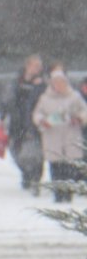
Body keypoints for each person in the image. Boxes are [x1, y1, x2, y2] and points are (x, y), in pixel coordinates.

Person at [32, 68, 87, 203]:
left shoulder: (75, 96)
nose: (59, 85)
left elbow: (84, 111)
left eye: (61, 82)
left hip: (71, 136)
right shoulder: (45, 98)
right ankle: (57, 194)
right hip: (53, 138)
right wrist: (42, 121)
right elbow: (36, 114)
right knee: (55, 167)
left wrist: (79, 118)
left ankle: (68, 194)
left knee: (69, 168)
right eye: (56, 83)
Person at [0, 54, 48, 194]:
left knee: (36, 152)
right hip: (17, 122)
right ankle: (26, 173)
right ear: (27, 66)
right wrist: (3, 115)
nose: (37, 69)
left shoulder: (42, 83)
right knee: (16, 151)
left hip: (34, 122)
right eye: (34, 65)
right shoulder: (16, 82)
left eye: (39, 66)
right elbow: (7, 99)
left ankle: (35, 179)